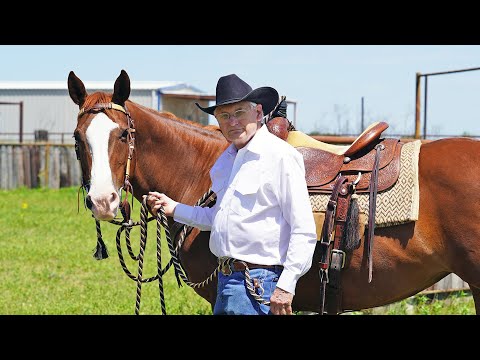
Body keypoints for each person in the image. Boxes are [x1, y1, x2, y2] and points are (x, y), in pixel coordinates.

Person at [146, 74, 317, 315]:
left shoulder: (280, 157)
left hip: (260, 281)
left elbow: (304, 230)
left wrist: (286, 286)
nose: (232, 121)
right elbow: (217, 218)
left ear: (258, 113)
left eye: (239, 113)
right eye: (224, 116)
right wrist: (174, 208)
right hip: (227, 279)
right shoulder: (227, 162)